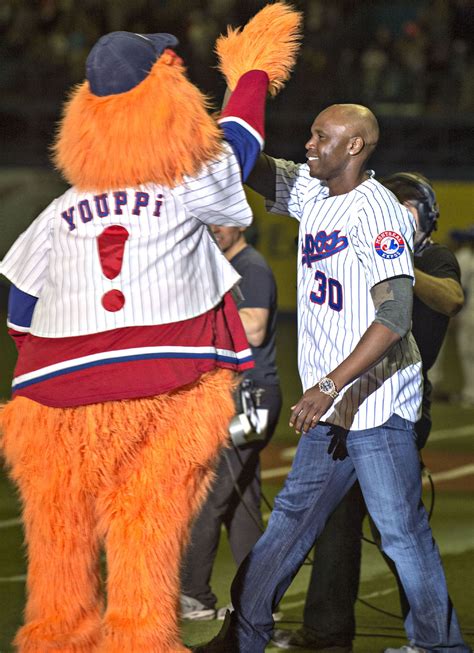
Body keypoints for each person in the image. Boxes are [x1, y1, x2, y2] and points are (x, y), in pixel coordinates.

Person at [0, 5, 302, 651]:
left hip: (52, 396)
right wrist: (251, 73)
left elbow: (20, 302)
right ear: (167, 93)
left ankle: (56, 633)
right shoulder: (186, 183)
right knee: (146, 522)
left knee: (60, 528)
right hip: (159, 385)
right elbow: (240, 142)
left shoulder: (62, 208)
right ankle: (138, 637)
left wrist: (49, 364)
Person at [196, 104, 470, 653]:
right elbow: (252, 164)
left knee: (400, 532)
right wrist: (224, 112)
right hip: (334, 407)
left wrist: (327, 385)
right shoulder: (313, 192)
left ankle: (441, 647)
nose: (310, 143)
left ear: (355, 147)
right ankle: (244, 637)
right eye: (311, 131)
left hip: (377, 405)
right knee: (290, 524)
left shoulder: (380, 215)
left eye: (323, 136)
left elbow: (393, 320)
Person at [271, 172, 465, 653]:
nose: (396, 215)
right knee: (336, 523)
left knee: (400, 530)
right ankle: (326, 633)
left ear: (427, 217)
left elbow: (452, 298)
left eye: (408, 209)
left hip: (396, 408)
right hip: (348, 407)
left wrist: (393, 259)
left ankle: (432, 638)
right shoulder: (363, 250)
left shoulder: (433, 257)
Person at [180, 223, 282, 621]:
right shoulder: (224, 265)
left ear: (241, 223)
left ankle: (194, 595)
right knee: (242, 502)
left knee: (210, 491)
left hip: (250, 399)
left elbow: (254, 329)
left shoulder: (249, 266)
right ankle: (255, 601)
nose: (215, 229)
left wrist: (197, 321)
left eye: (222, 220)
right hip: (244, 398)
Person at [451, 226, 474, 407]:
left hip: (470, 313)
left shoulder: (465, 258)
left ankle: (470, 393)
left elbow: (461, 289)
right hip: (469, 312)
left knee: (468, 353)